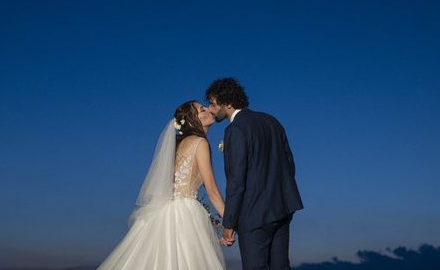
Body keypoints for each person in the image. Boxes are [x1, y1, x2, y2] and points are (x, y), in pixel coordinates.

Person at [97, 101, 226, 269]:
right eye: (202, 109)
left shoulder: (177, 145)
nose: (208, 110)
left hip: (164, 211)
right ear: (194, 119)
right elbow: (212, 190)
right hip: (186, 214)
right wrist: (231, 222)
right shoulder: (199, 143)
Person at [206, 77, 304, 270]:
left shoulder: (235, 130)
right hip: (282, 209)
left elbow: (236, 181)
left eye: (213, 104)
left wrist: (229, 224)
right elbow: (289, 165)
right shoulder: (272, 121)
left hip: (254, 215)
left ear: (228, 104)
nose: (210, 109)